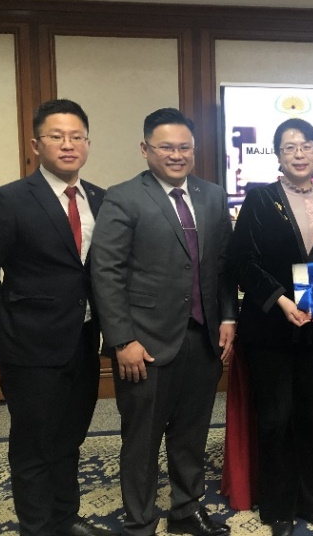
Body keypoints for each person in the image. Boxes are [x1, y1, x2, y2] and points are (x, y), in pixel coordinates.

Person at [91, 108, 238, 536]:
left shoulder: (212, 195)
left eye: (184, 147)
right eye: (166, 147)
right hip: (145, 343)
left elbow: (223, 266)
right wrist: (122, 340)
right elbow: (106, 272)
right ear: (145, 149)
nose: (177, 155)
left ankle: (186, 511)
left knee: (192, 432)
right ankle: (140, 520)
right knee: (142, 437)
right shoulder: (123, 197)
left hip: (203, 337)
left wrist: (228, 317)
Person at [0, 99, 114, 536]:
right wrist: (5, 327)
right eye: (56, 136)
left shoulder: (101, 199)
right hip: (28, 347)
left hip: (83, 341)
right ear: (36, 144)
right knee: (33, 446)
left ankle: (65, 518)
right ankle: (38, 528)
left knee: (70, 438)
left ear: (88, 143)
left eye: (77, 136)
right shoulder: (6, 200)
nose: (68, 144)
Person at [227, 119, 313, 536]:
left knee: (310, 417)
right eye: (290, 146)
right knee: (276, 418)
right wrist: (281, 301)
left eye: (307, 145)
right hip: (270, 329)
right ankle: (277, 505)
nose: (299, 153)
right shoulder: (259, 199)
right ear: (277, 154)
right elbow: (243, 261)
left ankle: (310, 500)